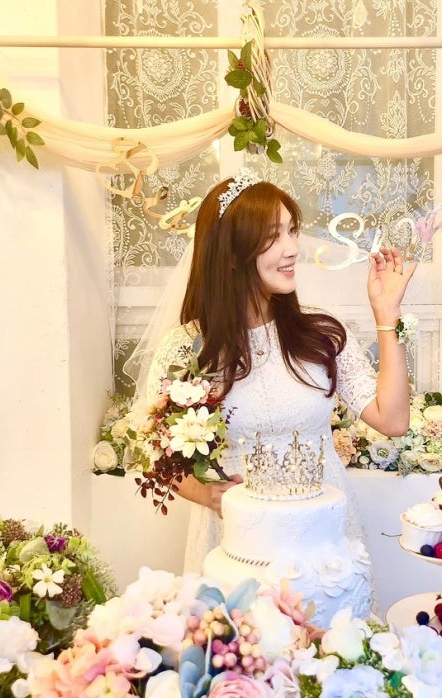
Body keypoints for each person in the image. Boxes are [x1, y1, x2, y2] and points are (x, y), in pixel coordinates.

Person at [140, 168, 417, 577]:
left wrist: (387, 315)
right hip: (237, 542)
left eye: (292, 231)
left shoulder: (321, 335)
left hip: (321, 538)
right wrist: (207, 495)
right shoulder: (187, 349)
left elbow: (392, 420)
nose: (292, 249)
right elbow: (156, 453)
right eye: (274, 236)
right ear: (231, 254)